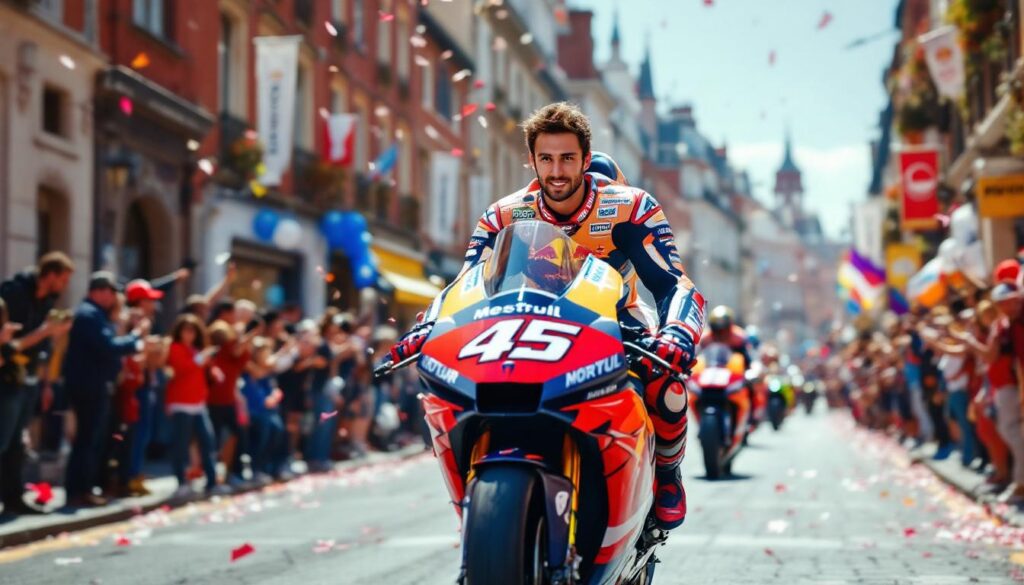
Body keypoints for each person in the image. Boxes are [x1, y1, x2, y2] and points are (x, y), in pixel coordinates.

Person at [386, 102, 705, 531]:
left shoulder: (631, 207)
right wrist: (426, 328)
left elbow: (672, 282)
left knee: (667, 383)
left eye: (568, 159)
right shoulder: (503, 214)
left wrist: (679, 333)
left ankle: (667, 474)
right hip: (522, 323)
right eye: (547, 159)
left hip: (616, 319)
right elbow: (462, 286)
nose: (557, 171)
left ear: (586, 160)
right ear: (532, 160)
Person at [62, 272, 149, 507]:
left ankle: (82, 489)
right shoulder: (89, 315)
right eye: (111, 292)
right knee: (88, 440)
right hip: (89, 386)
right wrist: (134, 337)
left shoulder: (94, 314)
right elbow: (107, 346)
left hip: (93, 384)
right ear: (98, 291)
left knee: (90, 440)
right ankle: (79, 490)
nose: (113, 297)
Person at [0, 252, 74, 514]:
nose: (64, 287)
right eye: (63, 280)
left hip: (29, 379)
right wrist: (45, 331)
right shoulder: (14, 293)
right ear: (50, 275)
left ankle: (13, 497)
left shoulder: (48, 302)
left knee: (18, 443)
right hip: (8, 377)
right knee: (3, 441)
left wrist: (45, 384)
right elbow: (9, 346)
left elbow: (42, 347)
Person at [164, 314, 225, 496]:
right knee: (181, 444)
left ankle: (212, 481)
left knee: (208, 441)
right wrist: (201, 359)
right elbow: (181, 369)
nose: (190, 334)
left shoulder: (197, 350)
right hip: (181, 403)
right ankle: (181, 482)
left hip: (198, 403)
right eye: (186, 330)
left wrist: (214, 371)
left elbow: (205, 369)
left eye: (193, 331)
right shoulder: (175, 348)